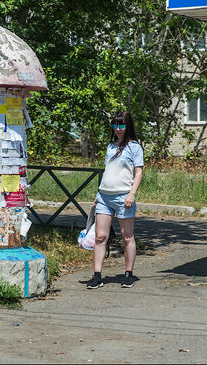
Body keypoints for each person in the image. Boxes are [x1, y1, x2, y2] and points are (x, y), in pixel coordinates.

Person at [86, 112, 144, 289]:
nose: (118, 129)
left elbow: (138, 172)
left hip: (123, 197)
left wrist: (131, 194)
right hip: (104, 196)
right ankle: (97, 275)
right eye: (115, 126)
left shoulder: (135, 147)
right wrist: (98, 196)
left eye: (122, 125)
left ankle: (128, 274)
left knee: (127, 237)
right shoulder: (111, 146)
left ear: (128, 126)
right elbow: (108, 170)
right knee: (100, 236)